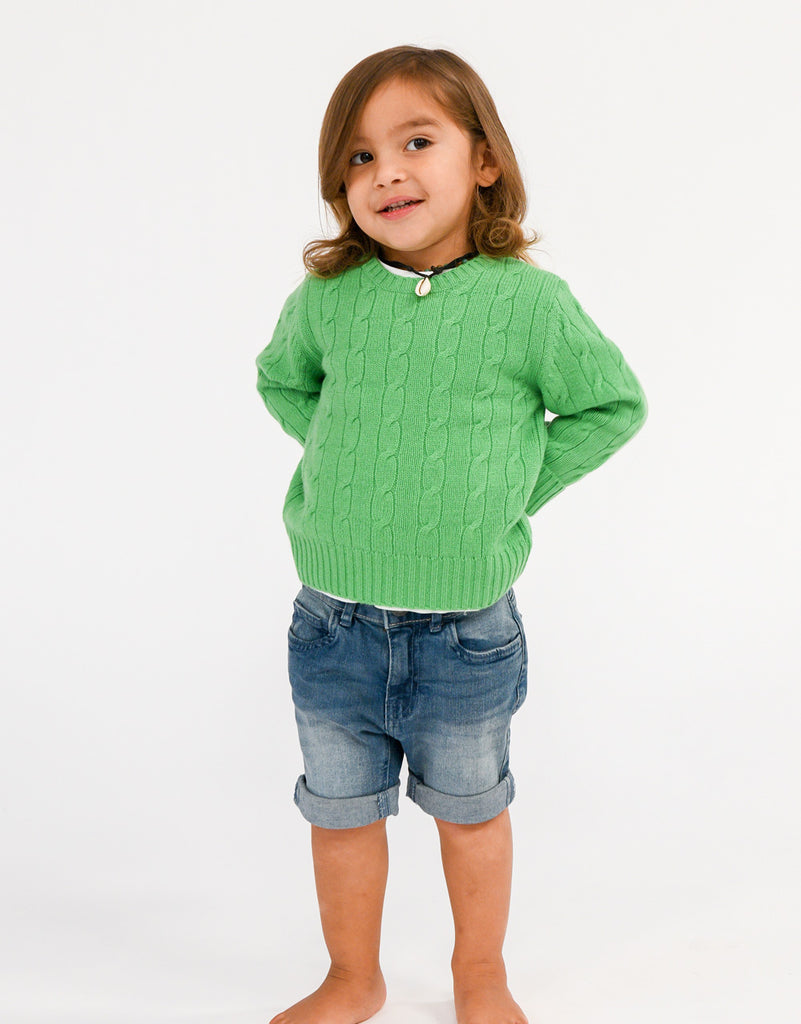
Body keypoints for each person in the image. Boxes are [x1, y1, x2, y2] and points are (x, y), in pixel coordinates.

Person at [255, 44, 648, 1024]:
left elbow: (611, 406)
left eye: (415, 142)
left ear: (483, 159)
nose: (384, 172)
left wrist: (505, 489)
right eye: (358, 157)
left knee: (471, 813)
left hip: (465, 636)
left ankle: (482, 973)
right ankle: (354, 977)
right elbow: (281, 380)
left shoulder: (528, 303)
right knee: (339, 813)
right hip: (331, 625)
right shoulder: (330, 298)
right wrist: (352, 463)